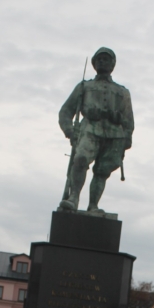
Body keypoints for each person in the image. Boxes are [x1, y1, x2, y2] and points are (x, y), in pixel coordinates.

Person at [58, 47, 134, 214]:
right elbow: (65, 111)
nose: (102, 62)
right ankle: (74, 197)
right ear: (93, 63)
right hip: (89, 130)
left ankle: (93, 205)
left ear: (112, 64)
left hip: (114, 135)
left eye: (106, 59)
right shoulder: (84, 86)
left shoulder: (123, 92)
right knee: (80, 160)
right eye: (99, 59)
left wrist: (126, 140)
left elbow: (129, 120)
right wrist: (70, 131)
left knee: (102, 171)